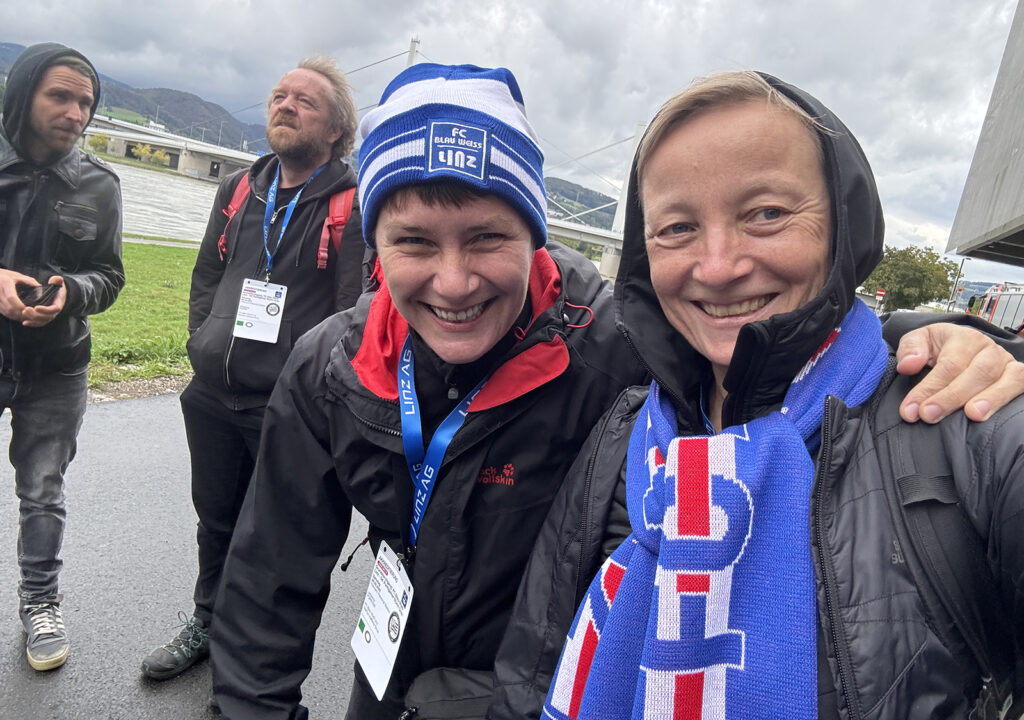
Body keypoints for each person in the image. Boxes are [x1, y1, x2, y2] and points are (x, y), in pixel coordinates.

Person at [210, 63, 1023, 720]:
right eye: (413, 242)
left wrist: (944, 334)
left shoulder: (615, 347)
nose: (453, 281)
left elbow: (770, 347)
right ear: (374, 244)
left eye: (489, 237)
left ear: (536, 236)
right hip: (391, 664)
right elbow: (268, 579)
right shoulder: (330, 367)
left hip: (552, 670)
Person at [532, 72, 1023, 719]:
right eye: (676, 227)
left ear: (842, 224)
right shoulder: (625, 431)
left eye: (766, 214)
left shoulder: (969, 424)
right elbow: (533, 667)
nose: (717, 265)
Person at [140, 55, 365, 681]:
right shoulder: (241, 187)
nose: (285, 105)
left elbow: (352, 315)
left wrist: (314, 395)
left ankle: (249, 667)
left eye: (305, 102)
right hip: (212, 394)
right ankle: (207, 623)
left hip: (286, 408)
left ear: (335, 132)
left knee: (273, 542)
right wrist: (201, 343)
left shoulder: (351, 205)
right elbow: (206, 275)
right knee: (215, 523)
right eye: (279, 95)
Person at [0, 42, 124, 671]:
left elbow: (110, 275)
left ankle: (41, 603)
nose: (77, 113)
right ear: (23, 95)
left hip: (58, 365)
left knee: (43, 490)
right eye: (61, 96)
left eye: (86, 102)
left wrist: (73, 293)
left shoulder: (100, 185)